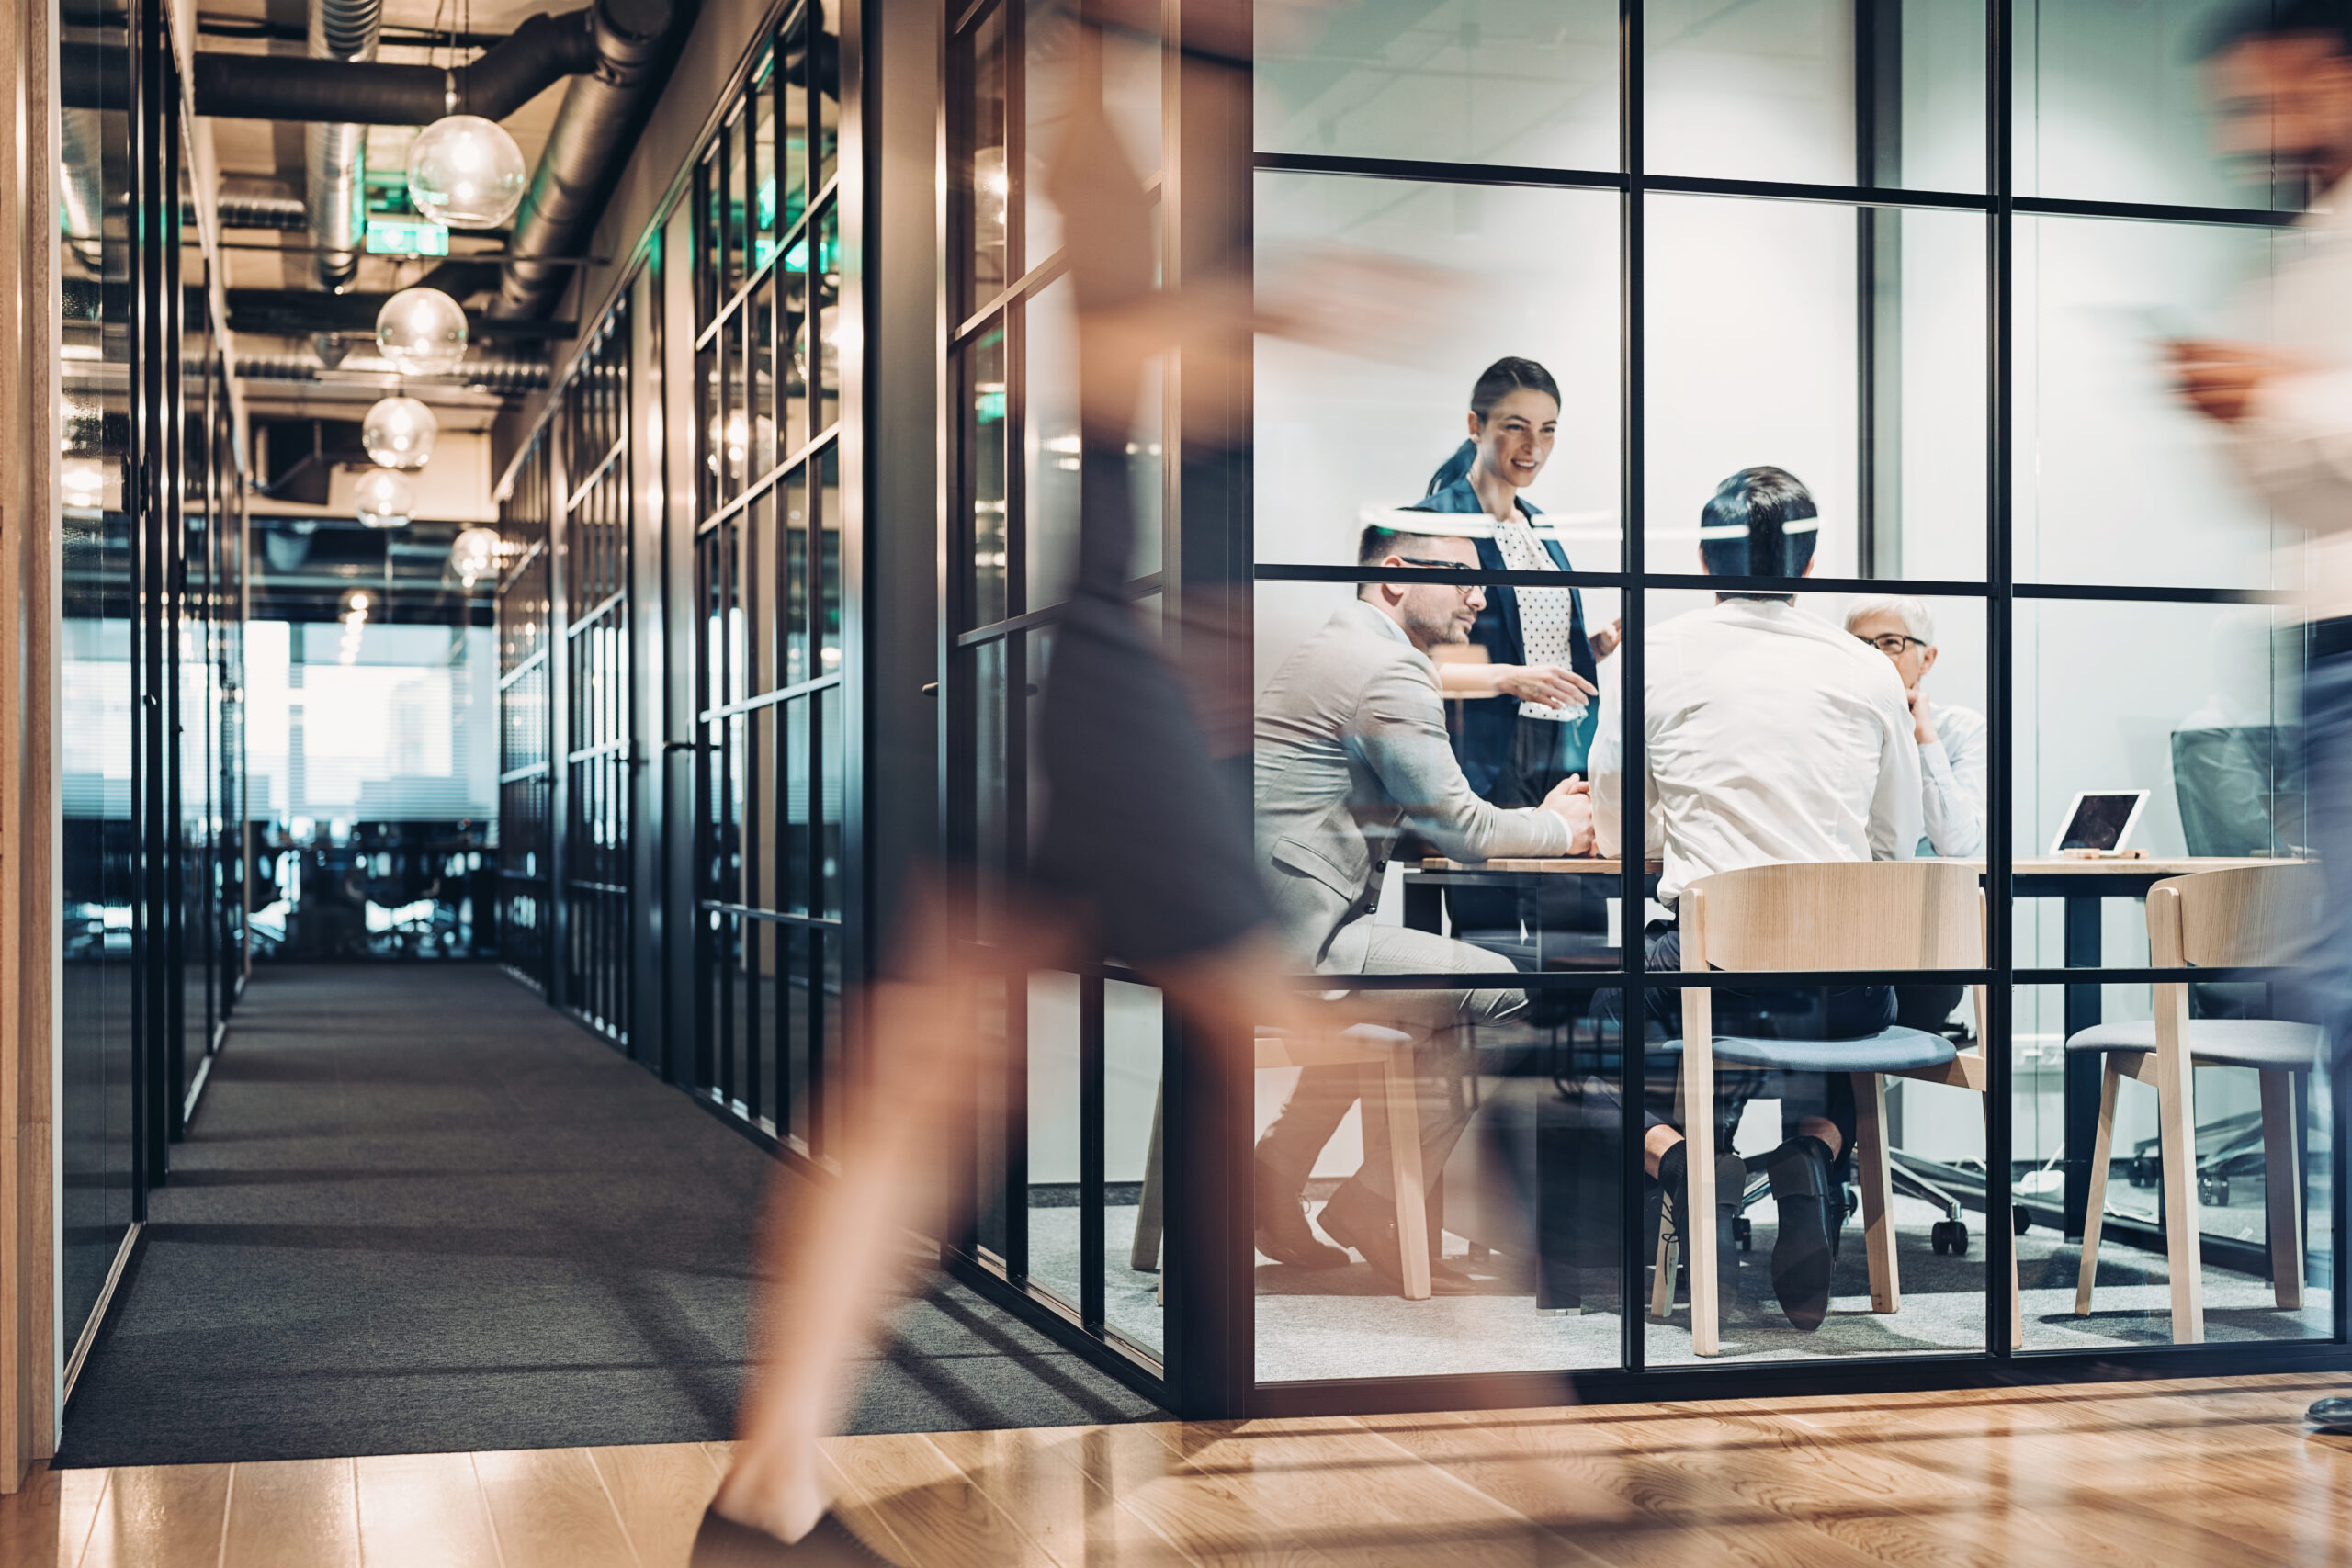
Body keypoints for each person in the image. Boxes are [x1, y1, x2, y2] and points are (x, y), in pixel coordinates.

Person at [690, 17, 1348, 1563]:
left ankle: (766, 1488)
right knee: (1318, 1037)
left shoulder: (1169, 102)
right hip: (1120, 677)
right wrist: (1292, 313)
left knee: (922, 1084)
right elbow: (1111, 363)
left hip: (1122, 667)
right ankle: (1544, 1471)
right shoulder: (1124, 106)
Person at [1590, 467, 1923, 1332]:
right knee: (1826, 1001)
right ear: (1811, 568)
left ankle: (1687, 1166)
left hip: (1714, 968)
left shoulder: (1649, 655)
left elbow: (1622, 826)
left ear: (1705, 560)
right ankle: (1812, 1151)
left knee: (1579, 1033)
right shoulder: (1867, 668)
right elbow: (1896, 838)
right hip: (1846, 983)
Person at [1250, 524, 1595, 1294]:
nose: (1481, 595)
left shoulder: (1335, 647)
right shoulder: (1388, 668)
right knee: (1508, 988)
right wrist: (1558, 827)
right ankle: (1372, 1201)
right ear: (1397, 575)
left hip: (1259, 926)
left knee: (1420, 1002)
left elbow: (1411, 811)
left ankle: (1276, 1174)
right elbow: (1463, 830)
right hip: (1301, 942)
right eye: (1467, 577)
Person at [2176, 0, 2352, 1438]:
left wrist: (2275, 397)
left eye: (2270, 96)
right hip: (2322, 643)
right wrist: (2256, 419)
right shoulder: (2313, 240)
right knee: (2338, 995)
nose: (2256, 131)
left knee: (2345, 991)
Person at [1415, 359, 1617, 964]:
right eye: (1516, 426)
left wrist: (1595, 646)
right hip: (1483, 746)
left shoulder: (1541, 527)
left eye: (1549, 429)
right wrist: (1510, 677)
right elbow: (1410, 659)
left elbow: (1532, 637)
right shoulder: (1436, 523)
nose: (1534, 446)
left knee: (1577, 922)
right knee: (1489, 926)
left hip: (1561, 743)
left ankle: (1580, 1055)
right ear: (1476, 425)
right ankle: (1495, 1057)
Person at [1846, 594, 1985, 1036]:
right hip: (1845, 925)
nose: (1874, 657)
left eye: (1890, 642)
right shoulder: (1837, 726)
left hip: (1924, 942)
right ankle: (1831, 1107)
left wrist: (1923, 736)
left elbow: (1959, 842)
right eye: (1860, 644)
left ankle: (1828, 1107)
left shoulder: (1961, 730)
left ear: (1927, 658)